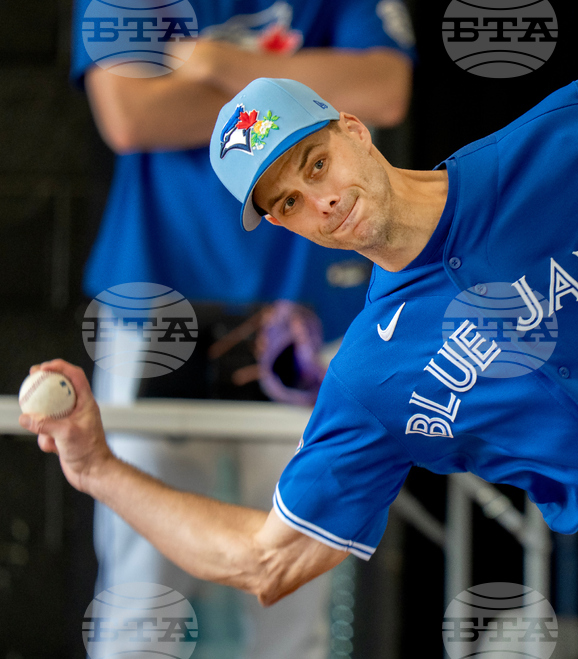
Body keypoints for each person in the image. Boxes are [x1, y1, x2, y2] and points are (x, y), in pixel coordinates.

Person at [30, 44, 578, 658]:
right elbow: (267, 560)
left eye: (318, 161)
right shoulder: (373, 375)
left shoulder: (563, 139)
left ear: (355, 130)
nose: (320, 200)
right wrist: (97, 466)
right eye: (289, 201)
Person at [69, 1, 415, 656]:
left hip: (310, 311)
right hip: (156, 303)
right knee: (141, 600)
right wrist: (299, 98)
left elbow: (383, 91)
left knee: (297, 593)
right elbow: (131, 115)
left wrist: (220, 66)